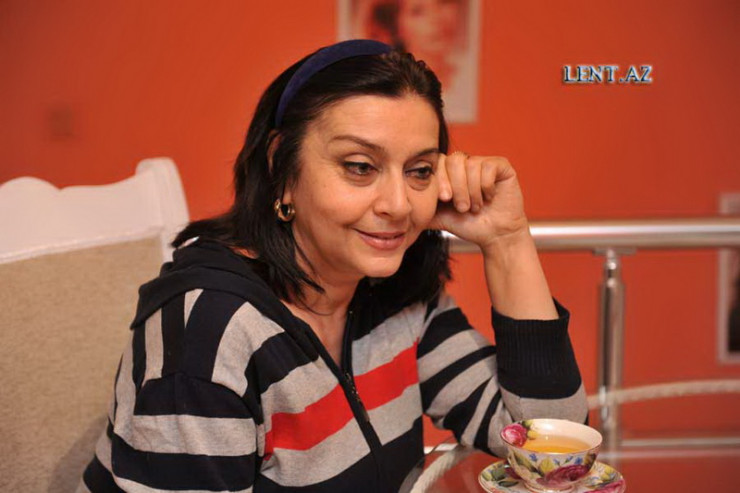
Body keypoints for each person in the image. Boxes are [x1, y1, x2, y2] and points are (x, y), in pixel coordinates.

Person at [80, 39, 587, 492]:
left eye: (419, 171)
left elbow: (551, 454)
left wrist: (507, 241)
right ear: (281, 166)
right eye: (360, 167)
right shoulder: (209, 331)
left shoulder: (397, 296)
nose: (399, 205)